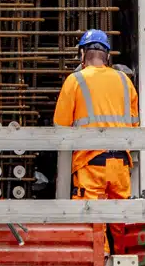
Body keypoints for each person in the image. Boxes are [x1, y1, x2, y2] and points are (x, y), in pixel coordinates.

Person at [53, 29, 140, 246]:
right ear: (107, 56)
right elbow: (135, 125)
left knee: (92, 224)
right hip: (121, 164)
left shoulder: (75, 81)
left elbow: (60, 127)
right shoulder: (124, 81)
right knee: (121, 223)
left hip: (91, 164)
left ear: (82, 54)